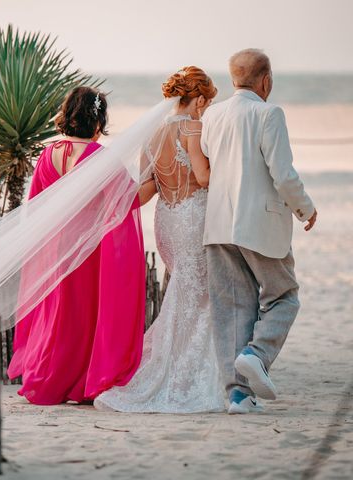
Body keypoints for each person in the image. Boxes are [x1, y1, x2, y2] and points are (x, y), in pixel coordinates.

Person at [94, 67, 226, 413]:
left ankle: (177, 364)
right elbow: (202, 176)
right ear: (198, 99)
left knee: (184, 294)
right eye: (207, 102)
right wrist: (229, 171)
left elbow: (145, 190)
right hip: (194, 220)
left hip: (166, 221)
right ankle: (186, 375)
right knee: (200, 298)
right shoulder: (194, 128)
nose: (206, 109)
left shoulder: (152, 133)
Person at [7, 86, 146, 405]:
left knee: (58, 313)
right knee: (84, 315)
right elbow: (129, 200)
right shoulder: (100, 157)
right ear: (98, 120)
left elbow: (37, 206)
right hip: (88, 250)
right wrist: (159, 180)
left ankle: (50, 379)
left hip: (55, 247)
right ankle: (81, 382)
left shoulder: (47, 155)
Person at [202, 49, 317, 414]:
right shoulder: (269, 113)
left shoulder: (212, 115)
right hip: (259, 224)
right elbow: (282, 174)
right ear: (266, 80)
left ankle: (238, 395)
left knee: (231, 310)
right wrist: (305, 208)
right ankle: (257, 353)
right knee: (285, 295)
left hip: (218, 225)